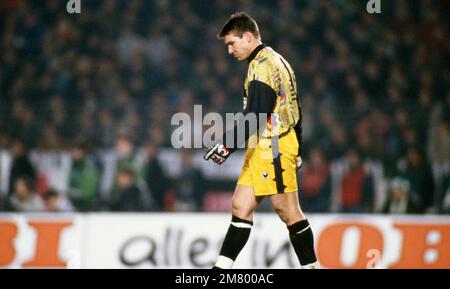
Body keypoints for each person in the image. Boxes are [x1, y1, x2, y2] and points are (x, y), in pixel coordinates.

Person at [203, 12, 319, 269]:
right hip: (264, 145)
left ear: (247, 37)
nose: (230, 50)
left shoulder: (262, 66)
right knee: (240, 206)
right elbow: (296, 107)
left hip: (274, 145)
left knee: (287, 211)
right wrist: (299, 144)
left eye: (232, 43)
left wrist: (226, 145)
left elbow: (255, 115)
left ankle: (311, 267)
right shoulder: (279, 61)